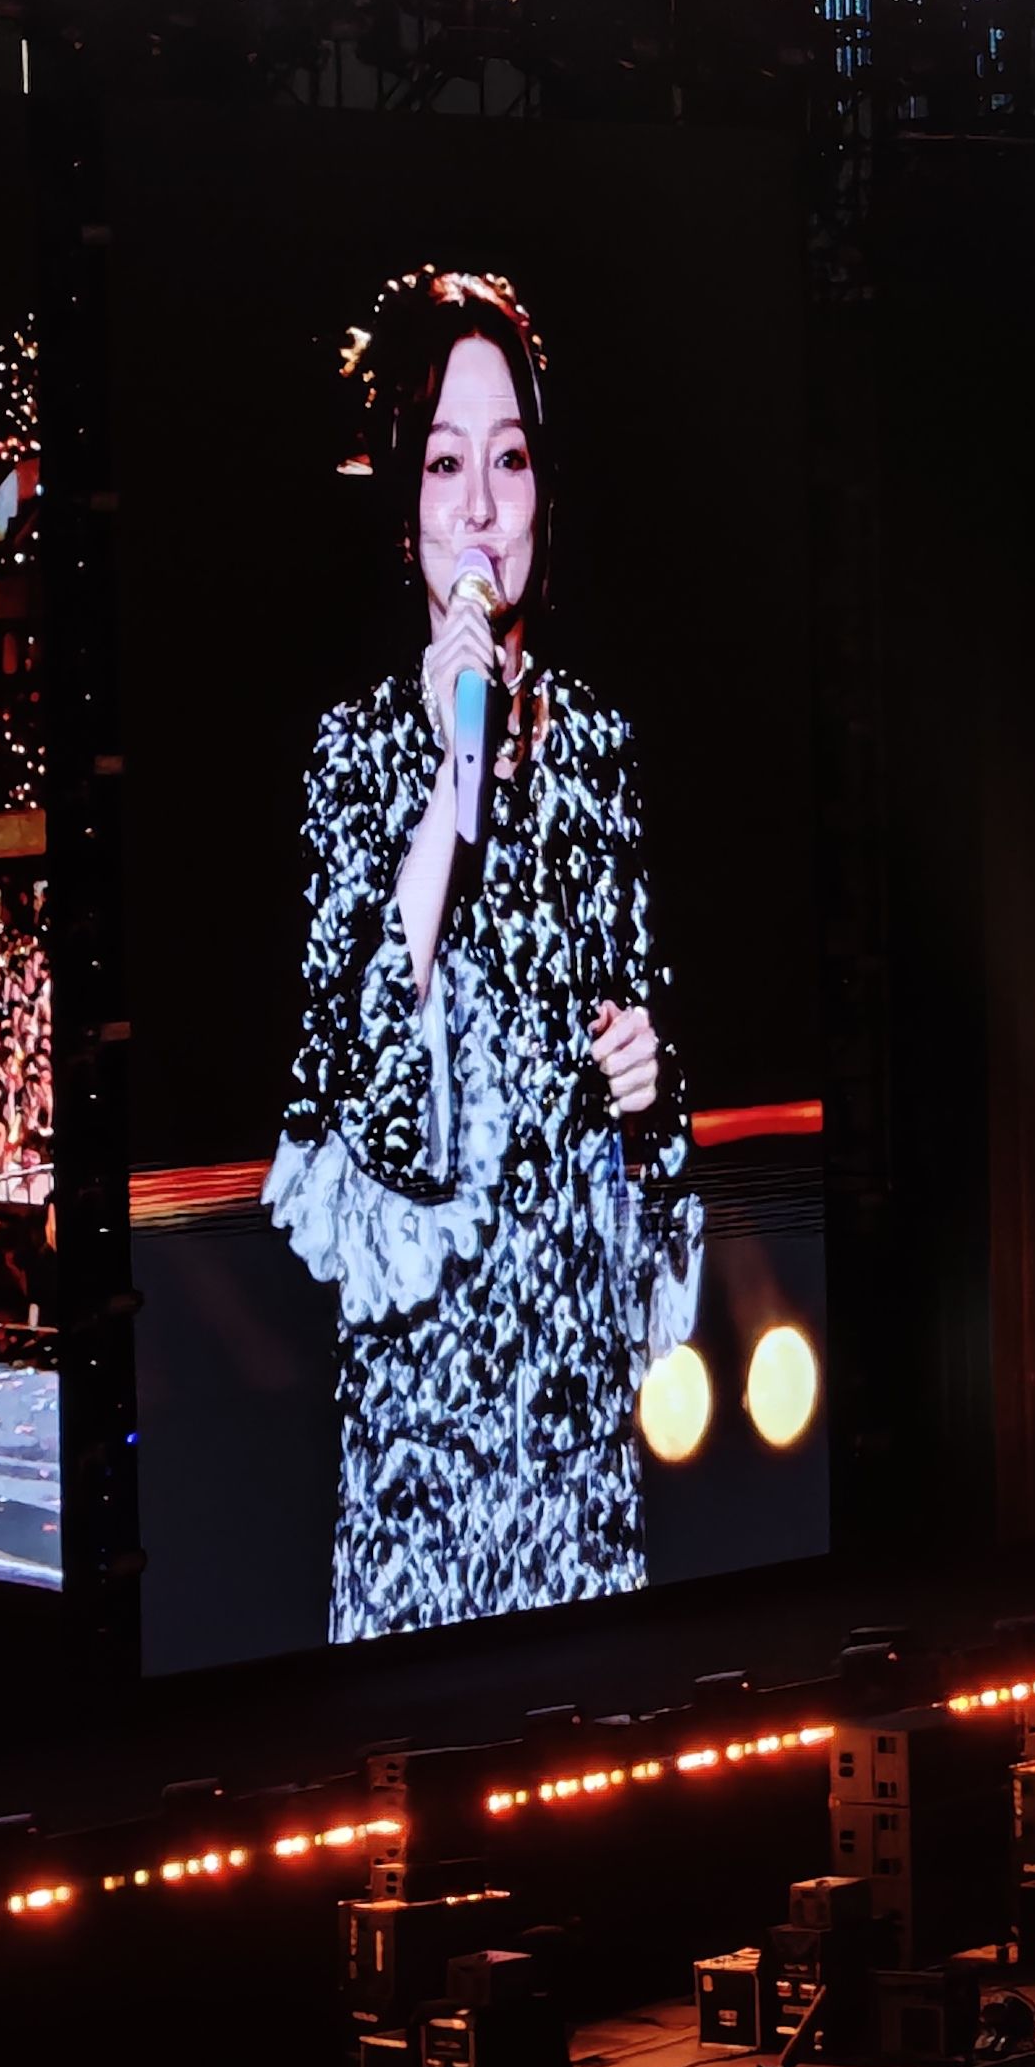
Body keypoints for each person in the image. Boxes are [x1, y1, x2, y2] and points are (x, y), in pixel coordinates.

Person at [262, 266, 697, 1645]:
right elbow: (356, 1078)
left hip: (572, 1409)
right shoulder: (351, 755)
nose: (481, 506)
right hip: (424, 1430)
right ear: (403, 505)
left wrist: (649, 1076)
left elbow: (650, 1070)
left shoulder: (604, 749)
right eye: (444, 463)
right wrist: (452, 786)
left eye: (510, 460)